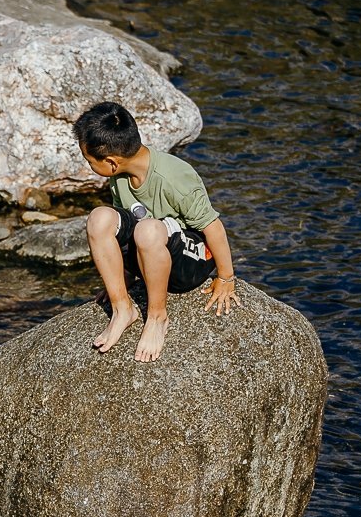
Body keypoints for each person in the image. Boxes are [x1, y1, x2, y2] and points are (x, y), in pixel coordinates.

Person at [73, 100, 239, 364]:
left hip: (187, 261)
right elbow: (121, 228)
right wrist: (122, 278)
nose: (88, 166)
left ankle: (157, 316)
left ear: (111, 162)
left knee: (148, 230)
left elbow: (214, 227)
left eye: (89, 160)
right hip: (147, 252)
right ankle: (122, 309)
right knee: (99, 218)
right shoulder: (119, 176)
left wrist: (226, 278)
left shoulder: (174, 177)